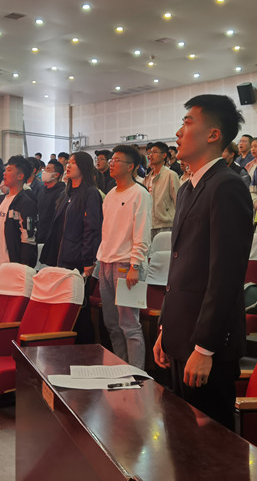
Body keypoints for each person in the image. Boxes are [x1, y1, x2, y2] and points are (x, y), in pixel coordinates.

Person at [153, 94, 253, 430]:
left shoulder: (227, 186)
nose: (178, 132)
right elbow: (180, 267)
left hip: (206, 343)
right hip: (180, 334)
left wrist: (206, 348)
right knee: (181, 436)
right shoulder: (187, 189)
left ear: (213, 135)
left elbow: (225, 274)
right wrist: (165, 329)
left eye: (187, 122)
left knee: (210, 443)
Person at [96, 145, 152, 368]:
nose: (112, 163)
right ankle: (121, 370)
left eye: (117, 160)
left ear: (131, 167)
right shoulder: (110, 194)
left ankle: (137, 375)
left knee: (129, 325)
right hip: (106, 263)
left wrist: (135, 265)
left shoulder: (140, 193)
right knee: (112, 324)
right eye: (111, 160)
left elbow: (142, 232)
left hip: (126, 265)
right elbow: (107, 232)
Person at [39, 151, 103, 343]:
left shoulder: (91, 193)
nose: (68, 165)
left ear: (84, 167)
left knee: (79, 309)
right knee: (63, 306)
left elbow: (92, 228)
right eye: (69, 162)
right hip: (61, 257)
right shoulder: (66, 193)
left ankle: (85, 349)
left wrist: (88, 260)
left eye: (73, 163)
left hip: (77, 258)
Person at [0, 156, 38, 267]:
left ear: (20, 176)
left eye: (9, 170)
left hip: (12, 263)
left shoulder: (25, 202)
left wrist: (24, 264)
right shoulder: (1, 199)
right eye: (5, 170)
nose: (4, 173)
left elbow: (28, 236)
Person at [144, 142, 180, 239]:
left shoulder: (171, 175)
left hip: (166, 224)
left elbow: (178, 201)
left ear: (164, 155)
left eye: (154, 152)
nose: (150, 155)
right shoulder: (147, 177)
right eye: (150, 153)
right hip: (149, 224)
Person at [36, 160, 65, 245]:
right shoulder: (43, 191)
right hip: (39, 234)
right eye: (44, 169)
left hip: (52, 238)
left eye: (48, 170)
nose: (44, 172)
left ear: (56, 175)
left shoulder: (62, 193)